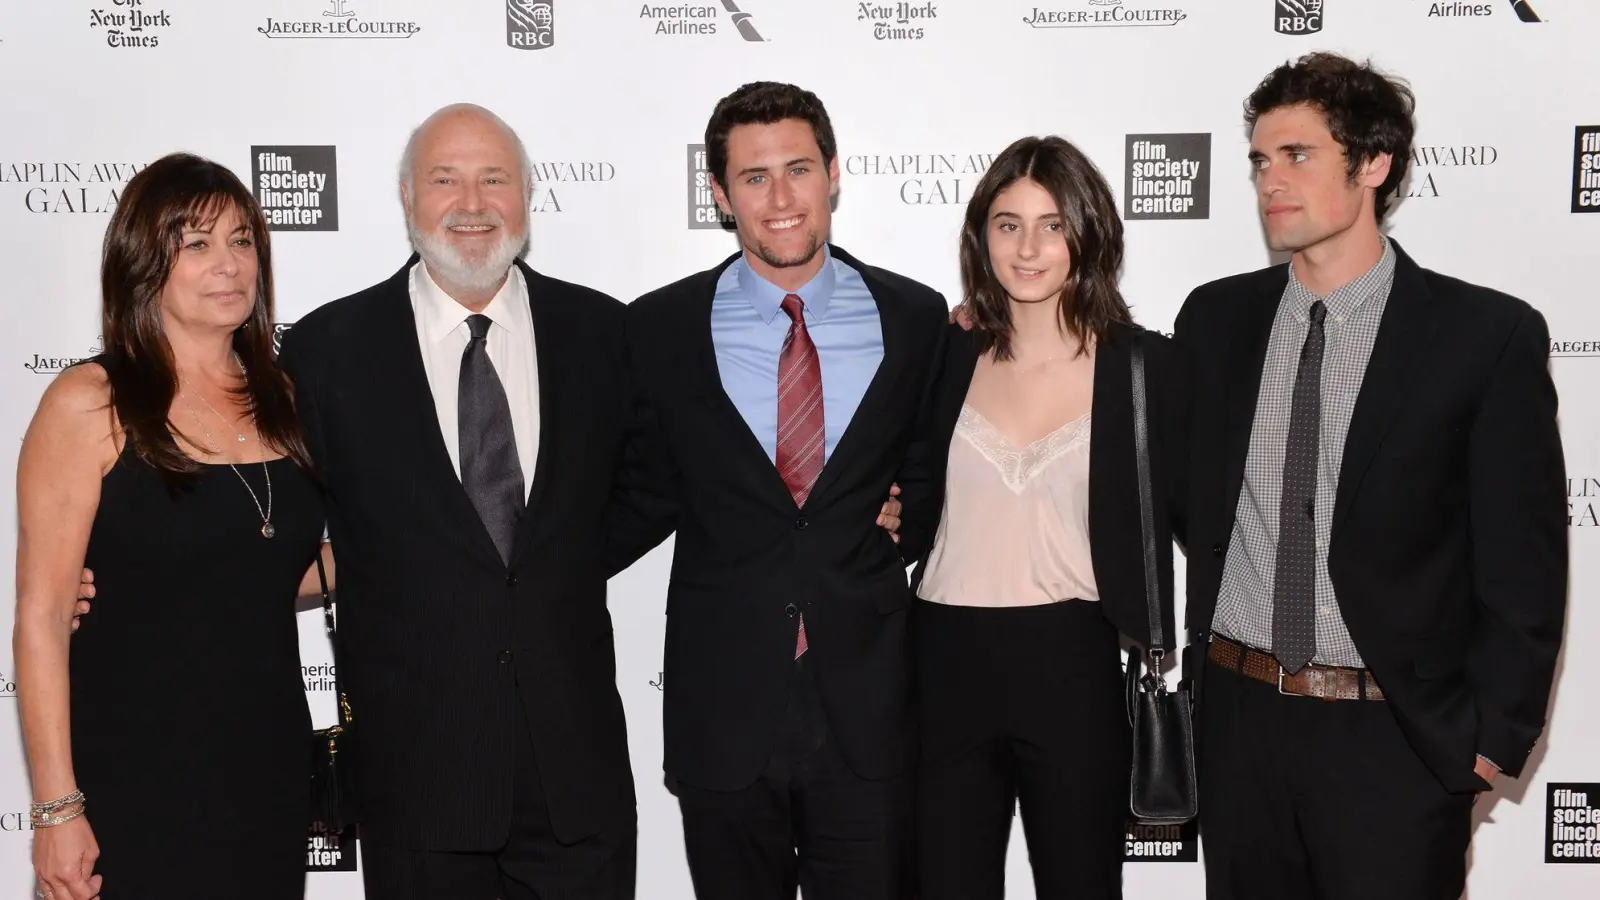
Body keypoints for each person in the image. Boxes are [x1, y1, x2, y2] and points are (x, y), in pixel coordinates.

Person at [1175, 52, 1567, 899]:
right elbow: (1155, 473)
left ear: (1374, 164)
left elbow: (1524, 566)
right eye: (1259, 159)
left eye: (1298, 155)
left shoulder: (1481, 337)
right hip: (1241, 722)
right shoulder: (1215, 320)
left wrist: (1492, 737)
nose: (1270, 180)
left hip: (1393, 737)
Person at [276, 103, 638, 898]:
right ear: (407, 198)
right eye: (446, 179)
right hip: (417, 780)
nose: (472, 204)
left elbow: (659, 486)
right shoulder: (327, 351)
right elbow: (274, 526)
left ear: (527, 197)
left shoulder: (604, 335)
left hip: (577, 776)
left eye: (494, 179)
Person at [606, 81, 947, 899]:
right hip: (722, 713)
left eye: (799, 169)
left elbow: (935, 477)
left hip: (868, 712)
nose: (782, 198)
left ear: (834, 173)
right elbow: (635, 493)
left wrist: (905, 522)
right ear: (721, 195)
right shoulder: (658, 329)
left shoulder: (915, 318)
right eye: (755, 178)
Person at [14, 152, 325, 900]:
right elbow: (43, 613)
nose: (230, 264)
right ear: (144, 263)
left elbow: (274, 565)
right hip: (135, 775)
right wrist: (58, 807)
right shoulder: (90, 401)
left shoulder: (287, 397)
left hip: (267, 768)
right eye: (198, 244)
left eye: (244, 240)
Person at [910, 135, 1184, 900]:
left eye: (1052, 224)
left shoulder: (1143, 368)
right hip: (940, 659)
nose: (1028, 247)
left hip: (1072, 660)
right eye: (1007, 224)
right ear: (981, 236)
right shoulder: (942, 354)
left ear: (1088, 232)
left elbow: (1206, 509)